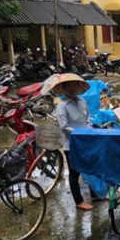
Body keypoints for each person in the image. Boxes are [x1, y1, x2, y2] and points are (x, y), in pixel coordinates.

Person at [51, 73, 97, 211]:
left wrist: (88, 130)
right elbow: (64, 127)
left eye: (75, 85)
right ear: (64, 88)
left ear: (79, 87)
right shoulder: (62, 106)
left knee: (89, 169)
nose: (72, 88)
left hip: (85, 142)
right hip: (71, 145)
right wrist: (80, 134)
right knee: (74, 172)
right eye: (69, 85)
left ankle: (94, 194)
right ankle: (79, 201)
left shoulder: (82, 102)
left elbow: (88, 120)